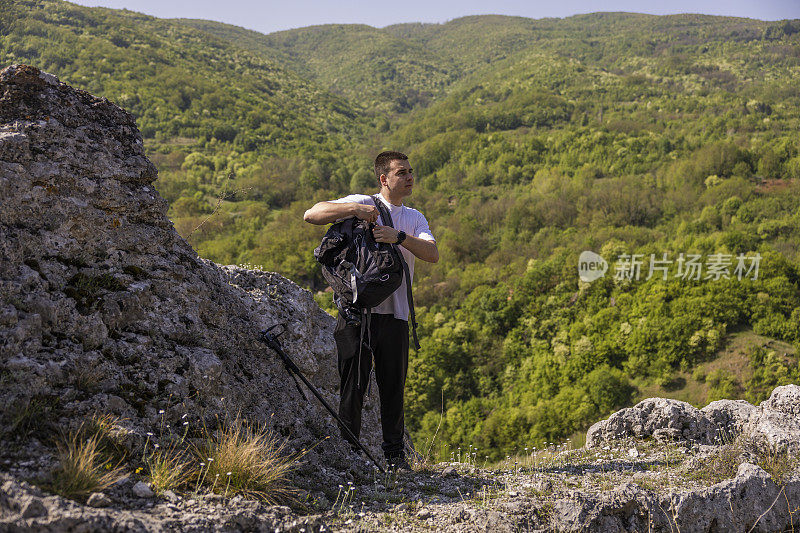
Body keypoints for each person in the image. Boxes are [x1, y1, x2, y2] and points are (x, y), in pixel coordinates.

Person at [303, 151, 438, 471]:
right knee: (353, 386)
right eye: (401, 172)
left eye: (410, 172)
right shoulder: (363, 201)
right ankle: (349, 456)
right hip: (356, 311)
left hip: (397, 315)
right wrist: (354, 209)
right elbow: (312, 214)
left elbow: (432, 253)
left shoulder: (415, 217)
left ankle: (395, 458)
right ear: (384, 179)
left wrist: (399, 237)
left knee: (393, 388)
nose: (409, 177)